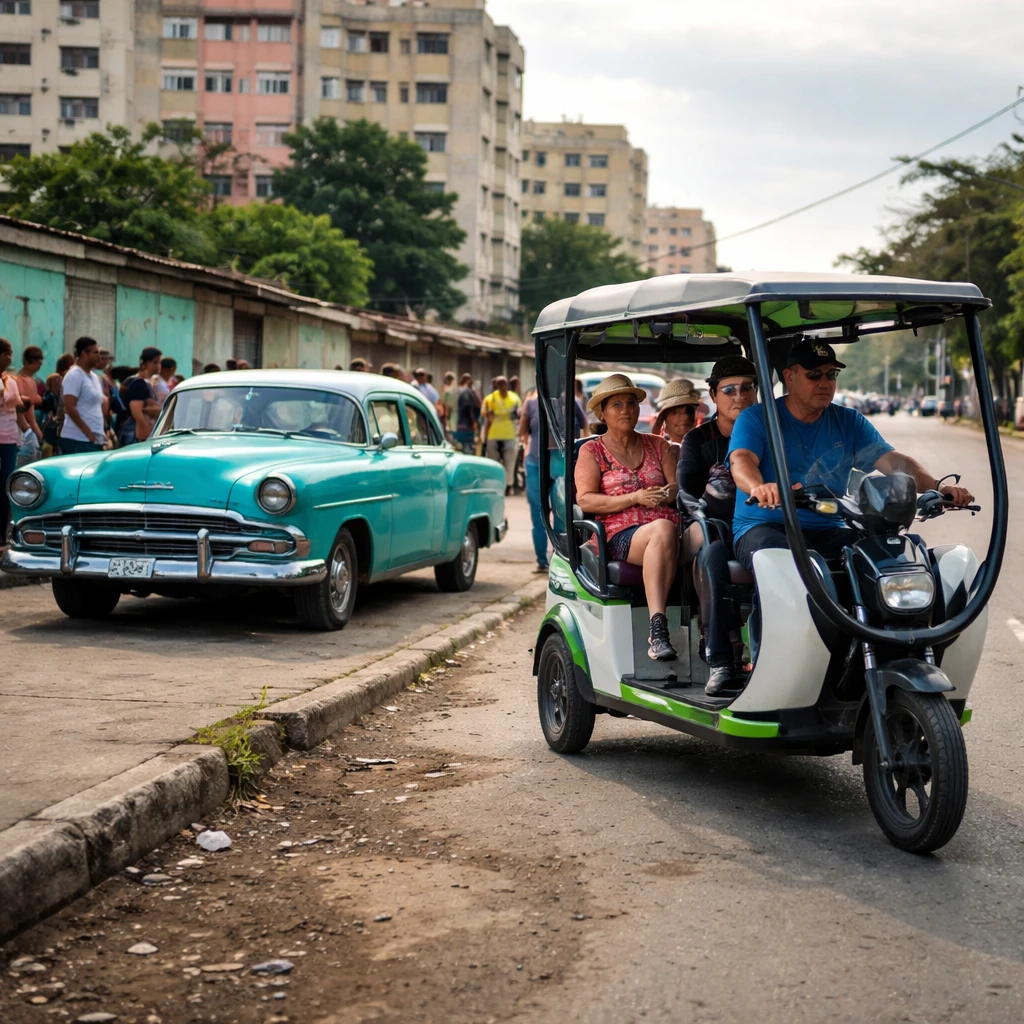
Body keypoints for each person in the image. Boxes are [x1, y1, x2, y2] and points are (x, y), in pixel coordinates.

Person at [729, 337, 974, 576]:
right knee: (784, 567)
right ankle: (768, 618)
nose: (824, 383)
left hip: (829, 526)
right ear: (789, 377)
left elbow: (894, 462)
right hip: (764, 525)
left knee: (887, 561)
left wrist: (939, 487)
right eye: (814, 374)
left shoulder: (848, 422)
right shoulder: (757, 418)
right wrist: (758, 487)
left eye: (831, 374)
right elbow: (742, 460)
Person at [576, 374, 680, 661]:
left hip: (668, 525)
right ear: (602, 413)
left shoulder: (658, 445)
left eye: (632, 403)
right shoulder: (592, 451)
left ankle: (720, 639)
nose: (627, 410)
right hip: (619, 533)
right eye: (617, 404)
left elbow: (675, 488)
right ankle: (657, 629)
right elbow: (585, 499)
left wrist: (666, 493)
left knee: (711, 540)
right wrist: (634, 498)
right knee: (663, 530)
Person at [677, 355, 759, 696]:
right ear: (714, 395)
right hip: (718, 527)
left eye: (747, 388)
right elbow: (686, 490)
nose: (739, 396)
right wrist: (703, 508)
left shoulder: (768, 432)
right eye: (729, 389)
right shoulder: (699, 440)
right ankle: (722, 659)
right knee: (710, 555)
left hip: (761, 525)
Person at [519, 385, 587, 572]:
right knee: (539, 511)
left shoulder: (572, 402)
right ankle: (542, 560)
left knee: (561, 512)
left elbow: (584, 426)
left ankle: (560, 558)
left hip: (559, 461)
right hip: (537, 463)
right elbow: (522, 431)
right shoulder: (531, 404)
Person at [1, 338, 33, 529]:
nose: (9, 358)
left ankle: (3, 530)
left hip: (9, 439)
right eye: (6, 354)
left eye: (10, 354)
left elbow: (17, 407)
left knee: (6, 484)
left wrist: (28, 430)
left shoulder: (10, 381)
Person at [59, 337, 108, 455]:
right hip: (78, 439)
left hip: (93, 440)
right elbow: (69, 407)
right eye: (95, 352)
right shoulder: (74, 375)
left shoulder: (94, 377)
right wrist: (88, 434)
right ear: (83, 353)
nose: (99, 357)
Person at [483, 375, 521, 495]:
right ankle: (501, 483)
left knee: (508, 461)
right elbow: (486, 414)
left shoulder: (512, 398)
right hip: (498, 433)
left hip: (505, 433)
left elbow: (519, 413)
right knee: (497, 461)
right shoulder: (491, 399)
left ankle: (508, 485)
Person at [120, 347, 162, 445]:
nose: (159, 366)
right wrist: (143, 436)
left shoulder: (146, 382)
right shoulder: (138, 382)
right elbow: (136, 410)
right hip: (135, 433)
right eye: (156, 362)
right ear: (146, 363)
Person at [652, 378, 702, 453]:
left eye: (689, 412)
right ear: (663, 418)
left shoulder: (705, 447)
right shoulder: (658, 449)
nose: (685, 417)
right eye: (675, 412)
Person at [15, 346, 44, 444]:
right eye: (38, 360)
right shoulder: (27, 381)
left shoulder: (19, 378)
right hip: (25, 431)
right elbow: (29, 413)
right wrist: (38, 433)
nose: (41, 363)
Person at [453, 373, 480, 454]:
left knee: (461, 449)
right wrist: (473, 422)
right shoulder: (468, 393)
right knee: (468, 450)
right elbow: (470, 407)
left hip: (460, 425)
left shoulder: (461, 391)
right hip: (467, 426)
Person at [439, 371, 457, 437]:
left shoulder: (447, 389)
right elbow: (445, 405)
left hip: (449, 414)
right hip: (448, 414)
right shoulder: (448, 390)